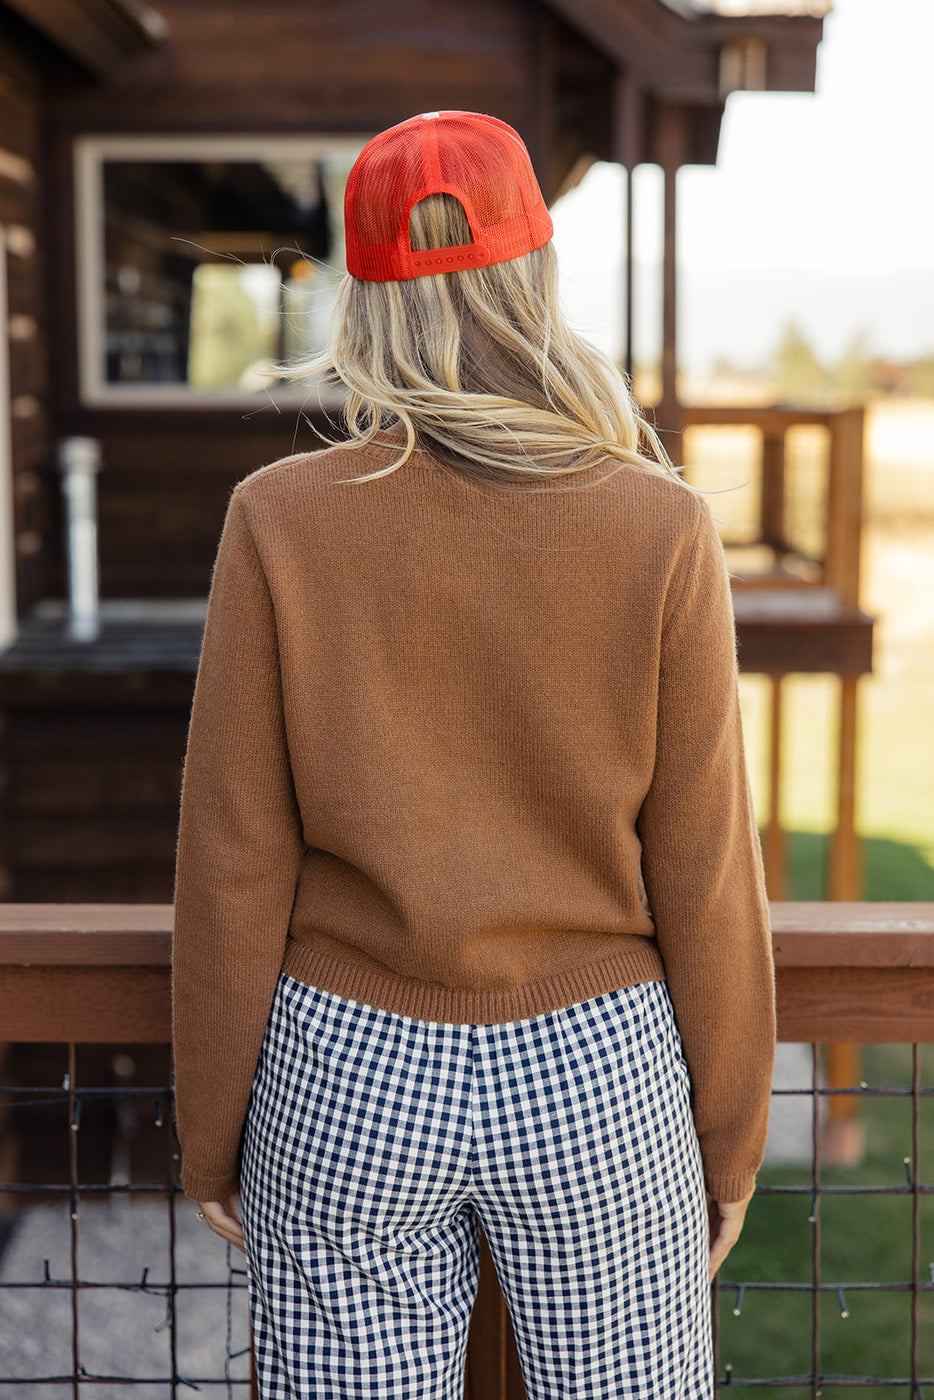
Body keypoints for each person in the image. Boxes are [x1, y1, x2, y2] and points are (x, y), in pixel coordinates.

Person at [172, 110, 775, 1400]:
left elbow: (233, 859)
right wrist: (727, 1133)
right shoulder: (659, 528)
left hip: (342, 1067)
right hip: (598, 1073)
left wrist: (212, 1123)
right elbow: (706, 869)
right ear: (539, 277)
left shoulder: (276, 522)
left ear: (363, 300)